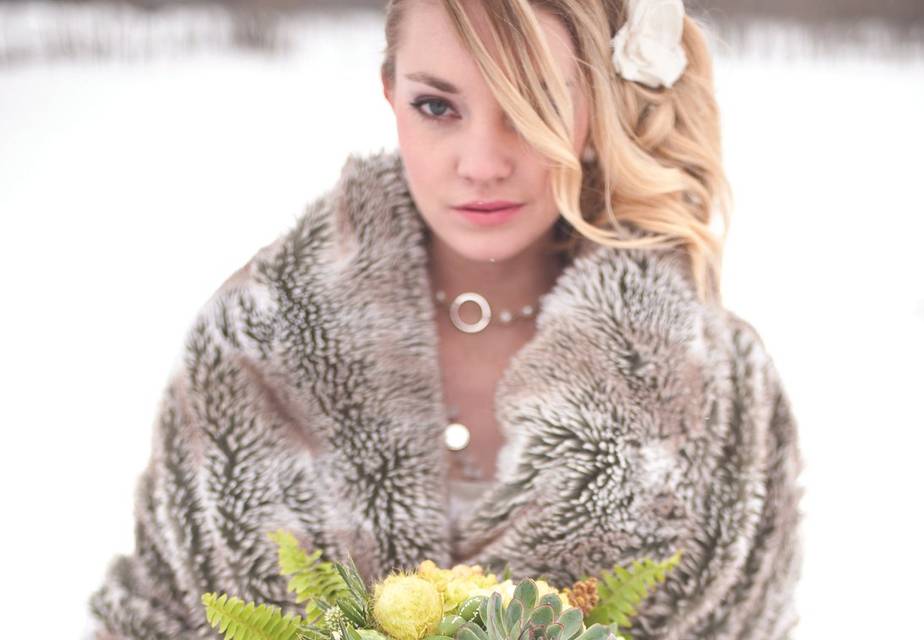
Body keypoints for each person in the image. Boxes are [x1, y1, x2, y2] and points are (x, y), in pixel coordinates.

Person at [88, 0, 805, 638]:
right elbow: (153, 618)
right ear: (390, 94)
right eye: (439, 106)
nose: (483, 163)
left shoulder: (719, 383)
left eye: (535, 104)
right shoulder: (254, 343)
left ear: (598, 110)